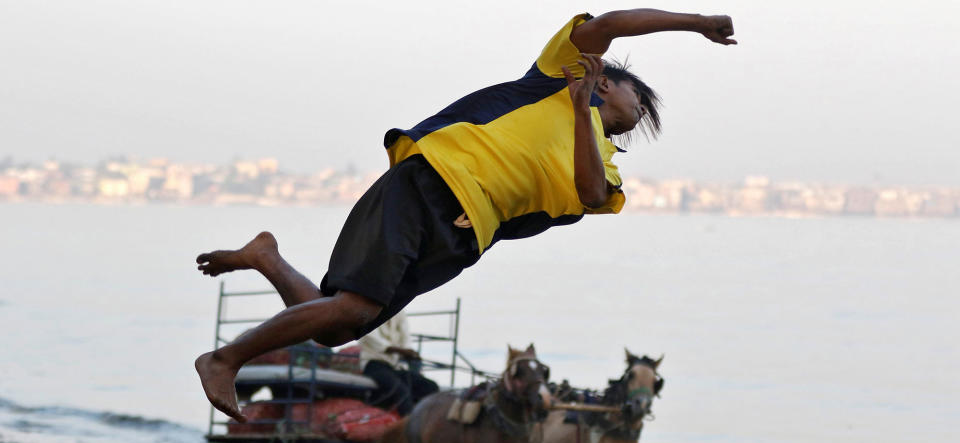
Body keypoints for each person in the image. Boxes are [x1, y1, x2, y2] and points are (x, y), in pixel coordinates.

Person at [195, 9, 736, 421]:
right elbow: (616, 21)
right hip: (433, 180)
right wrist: (698, 22)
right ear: (606, 82)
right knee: (352, 307)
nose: (636, 120)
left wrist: (579, 117)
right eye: (638, 105)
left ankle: (266, 256)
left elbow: (592, 194)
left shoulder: (604, 164)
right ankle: (225, 360)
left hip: (463, 238)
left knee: (339, 325)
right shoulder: (557, 74)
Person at [357, 310, 439, 415]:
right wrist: (403, 351)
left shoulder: (399, 313)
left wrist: (410, 352)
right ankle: (408, 425)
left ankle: (424, 420)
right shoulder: (370, 312)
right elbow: (375, 340)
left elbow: (405, 338)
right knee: (401, 391)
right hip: (374, 366)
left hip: (394, 368)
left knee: (430, 386)